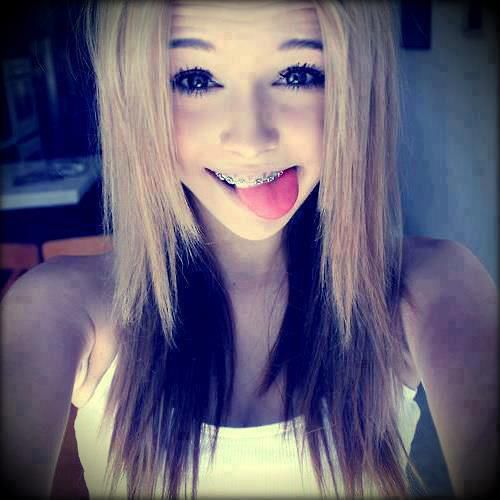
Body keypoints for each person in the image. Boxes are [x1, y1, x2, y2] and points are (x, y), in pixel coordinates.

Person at [1, 0, 497, 498]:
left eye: (299, 74)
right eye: (195, 79)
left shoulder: (435, 287)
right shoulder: (58, 307)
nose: (251, 140)